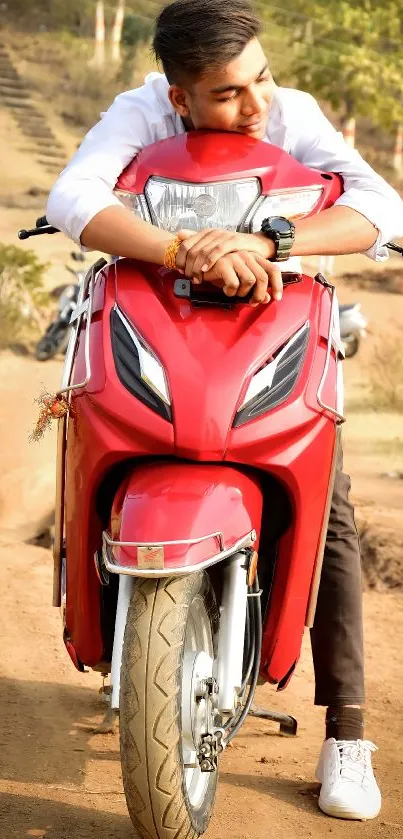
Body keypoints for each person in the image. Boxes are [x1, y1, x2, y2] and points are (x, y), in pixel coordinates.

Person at [46, 0, 403, 821]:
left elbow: (380, 207)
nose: (255, 106)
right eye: (226, 95)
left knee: (333, 507)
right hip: (168, 310)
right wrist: (183, 244)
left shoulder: (295, 114)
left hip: (276, 315)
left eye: (260, 80)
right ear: (177, 99)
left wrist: (269, 239)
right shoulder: (138, 110)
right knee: (93, 424)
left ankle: (346, 728)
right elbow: (73, 196)